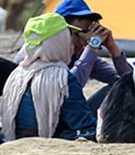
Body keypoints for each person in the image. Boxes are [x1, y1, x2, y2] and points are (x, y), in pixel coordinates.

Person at [1, 13, 96, 141]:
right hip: (47, 138)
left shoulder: (16, 74)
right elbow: (82, 123)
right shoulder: (62, 78)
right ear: (60, 41)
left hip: (11, 139)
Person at [46, 0, 133, 112]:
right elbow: (68, 88)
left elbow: (127, 81)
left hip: (69, 116)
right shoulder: (45, 53)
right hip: (45, 118)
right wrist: (93, 46)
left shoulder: (82, 53)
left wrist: (112, 47)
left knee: (120, 89)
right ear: (63, 32)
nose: (87, 40)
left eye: (92, 32)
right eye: (83, 33)